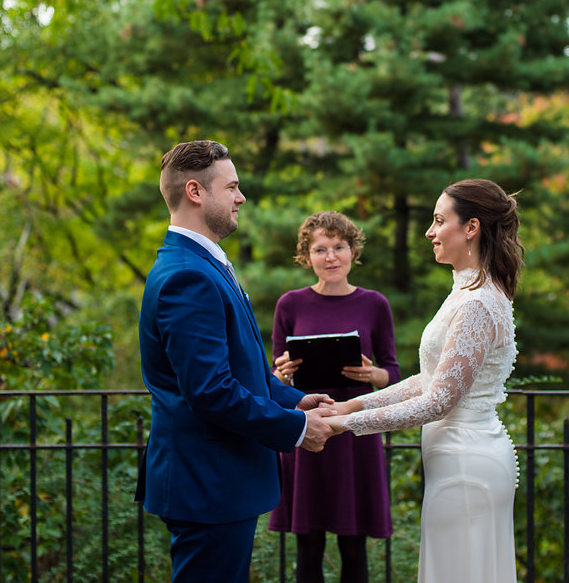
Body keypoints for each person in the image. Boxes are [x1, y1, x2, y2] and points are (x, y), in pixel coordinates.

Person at [136, 140, 336, 583]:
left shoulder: (205, 264)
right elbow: (211, 390)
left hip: (220, 482)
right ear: (195, 192)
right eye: (232, 187)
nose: (240, 197)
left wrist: (295, 400)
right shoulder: (187, 276)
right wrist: (297, 430)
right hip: (209, 483)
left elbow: (240, 370)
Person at [326, 179, 524, 583]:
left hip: (467, 465)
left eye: (438, 221)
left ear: (471, 227)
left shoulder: (477, 303)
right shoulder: (465, 290)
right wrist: (355, 404)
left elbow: (438, 401)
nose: (429, 232)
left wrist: (344, 425)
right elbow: (431, 379)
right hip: (455, 458)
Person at [268, 211, 401, 583]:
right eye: (320, 249)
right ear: (305, 256)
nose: (330, 256)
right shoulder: (289, 305)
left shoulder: (375, 304)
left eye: (339, 247)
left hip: (355, 433)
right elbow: (275, 381)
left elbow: (393, 373)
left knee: (354, 547)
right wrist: (281, 374)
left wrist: (370, 373)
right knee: (307, 547)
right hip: (309, 432)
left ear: (353, 251)